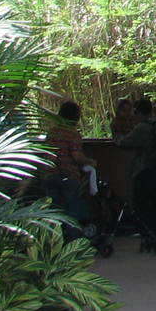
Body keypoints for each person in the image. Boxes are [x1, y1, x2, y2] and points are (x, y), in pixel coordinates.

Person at [114, 96, 156, 244]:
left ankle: (145, 233)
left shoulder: (142, 127)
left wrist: (117, 137)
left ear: (139, 112)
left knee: (142, 203)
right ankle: (155, 232)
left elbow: (124, 142)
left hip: (145, 169)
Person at [43, 99, 94, 232]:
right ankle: (72, 241)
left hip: (50, 175)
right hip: (68, 176)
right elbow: (77, 156)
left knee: (53, 213)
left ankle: (54, 239)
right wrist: (90, 162)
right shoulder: (72, 134)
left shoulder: (52, 132)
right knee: (71, 213)